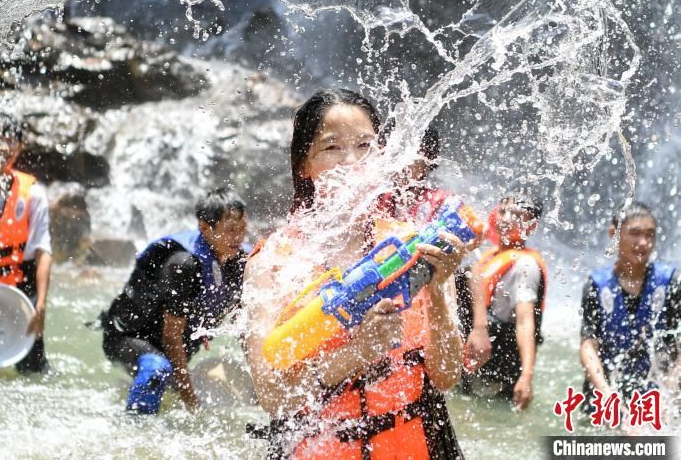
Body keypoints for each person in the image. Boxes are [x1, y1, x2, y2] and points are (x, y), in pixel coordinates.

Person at [243, 89, 468, 459]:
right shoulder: (272, 264)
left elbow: (447, 375)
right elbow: (273, 397)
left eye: (365, 145)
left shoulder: (412, 247)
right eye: (332, 149)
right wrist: (358, 352)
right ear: (304, 164)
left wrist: (440, 287)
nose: (351, 162)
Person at [100, 188, 249, 414]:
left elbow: (244, 324)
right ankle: (134, 431)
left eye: (242, 230)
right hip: (130, 338)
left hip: (179, 348)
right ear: (204, 228)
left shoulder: (239, 262)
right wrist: (191, 402)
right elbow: (171, 337)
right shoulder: (183, 264)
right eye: (230, 230)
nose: (238, 238)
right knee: (157, 369)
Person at [580, 202, 679, 412]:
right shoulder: (597, 285)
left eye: (650, 235)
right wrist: (608, 398)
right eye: (635, 233)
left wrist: (666, 397)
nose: (644, 242)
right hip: (606, 395)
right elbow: (588, 346)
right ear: (613, 233)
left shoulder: (670, 282)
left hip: (658, 396)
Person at [0, 107, 52, 373]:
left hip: (21, 283)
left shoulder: (33, 193)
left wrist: (41, 304)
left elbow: (44, 252)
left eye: (10, 139)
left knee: (34, 371)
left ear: (19, 147)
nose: (2, 146)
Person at [459, 194, 547, 410]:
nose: (506, 219)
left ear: (531, 226)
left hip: (500, 369)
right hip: (478, 361)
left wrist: (526, 376)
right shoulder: (490, 255)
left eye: (516, 215)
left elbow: (525, 322)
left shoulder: (525, 265)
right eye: (502, 211)